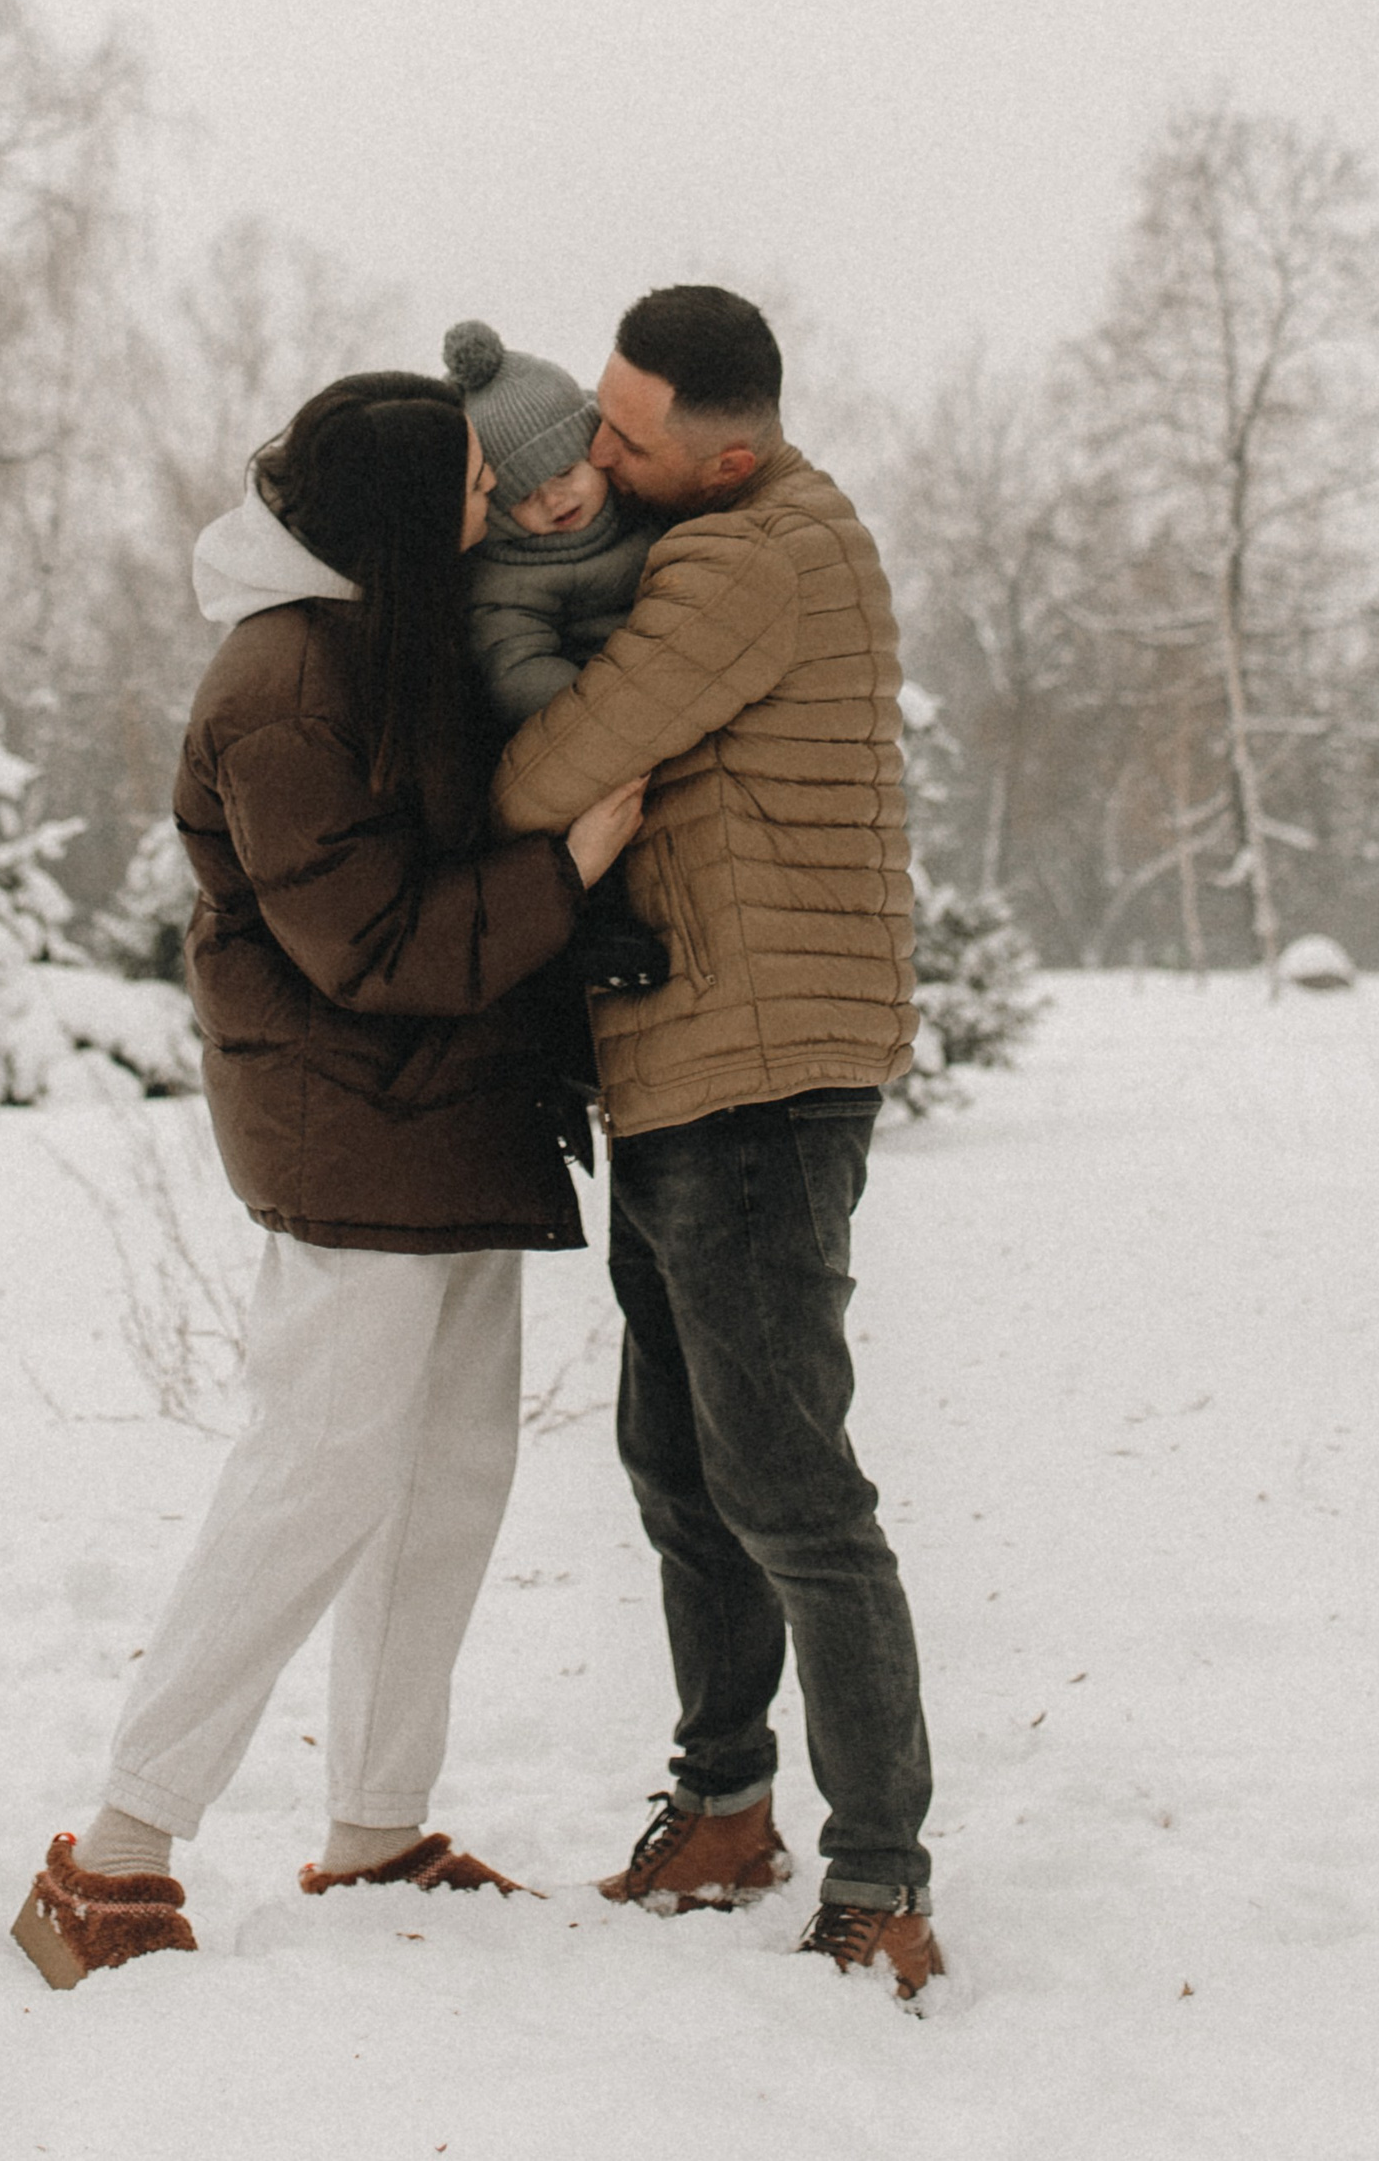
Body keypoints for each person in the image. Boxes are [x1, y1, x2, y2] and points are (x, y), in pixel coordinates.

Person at [10, 370, 647, 1989]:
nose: (497, 508)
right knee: (313, 1484)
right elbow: (366, 940)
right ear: (390, 507)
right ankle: (114, 1852)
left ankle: (378, 1824)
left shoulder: (381, 631)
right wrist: (563, 868)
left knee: (445, 1484)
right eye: (469, 489)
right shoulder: (286, 679)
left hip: (443, 1121)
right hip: (354, 1127)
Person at [490, 287, 945, 2002]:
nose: (597, 460)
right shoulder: (728, 526)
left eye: (626, 436)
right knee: (683, 1469)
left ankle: (882, 1875)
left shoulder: (741, 556)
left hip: (756, 1076)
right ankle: (729, 1804)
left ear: (728, 450)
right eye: (598, 415)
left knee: (791, 1491)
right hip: (696, 1063)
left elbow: (557, 771)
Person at [440, 317, 670, 1001]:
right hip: (579, 725)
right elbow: (514, 666)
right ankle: (596, 934)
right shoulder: (504, 574)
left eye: (564, 471)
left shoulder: (646, 516)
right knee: (579, 830)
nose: (553, 498)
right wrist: (609, 716)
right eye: (522, 494)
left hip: (659, 697)